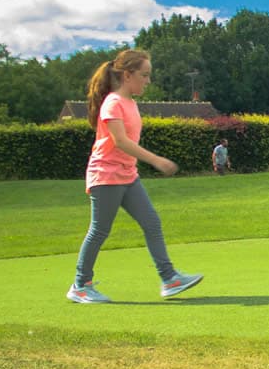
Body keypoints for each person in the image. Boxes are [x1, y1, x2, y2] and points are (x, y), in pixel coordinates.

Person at [67, 49, 203, 303]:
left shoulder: (129, 102)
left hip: (128, 175)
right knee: (99, 230)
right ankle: (80, 285)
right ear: (127, 75)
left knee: (152, 222)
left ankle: (169, 278)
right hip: (106, 175)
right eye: (144, 75)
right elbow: (120, 141)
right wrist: (156, 160)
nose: (148, 81)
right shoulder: (113, 103)